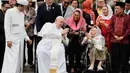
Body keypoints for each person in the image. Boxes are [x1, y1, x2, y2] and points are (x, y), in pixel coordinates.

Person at [1, 0, 32, 73]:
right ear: (20, 5)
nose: (24, 9)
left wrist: (27, 38)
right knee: (11, 61)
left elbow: (22, 29)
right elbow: (7, 27)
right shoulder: (10, 12)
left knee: (19, 60)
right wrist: (8, 40)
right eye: (24, 7)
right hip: (11, 41)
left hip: (20, 40)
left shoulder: (22, 14)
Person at [109, 2, 130, 73]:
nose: (116, 10)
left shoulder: (128, 17)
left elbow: (129, 29)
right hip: (114, 41)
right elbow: (110, 27)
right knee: (115, 59)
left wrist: (123, 37)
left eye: (117, 8)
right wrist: (114, 35)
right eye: (115, 8)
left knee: (124, 58)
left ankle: (125, 71)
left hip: (125, 41)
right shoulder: (113, 17)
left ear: (122, 9)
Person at [65, 8, 86, 73]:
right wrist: (71, 33)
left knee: (78, 53)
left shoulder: (83, 21)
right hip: (70, 41)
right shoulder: (69, 21)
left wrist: (78, 33)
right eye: (74, 15)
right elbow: (66, 30)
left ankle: (77, 66)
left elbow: (84, 31)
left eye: (77, 15)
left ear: (80, 16)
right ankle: (71, 67)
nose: (75, 16)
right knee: (71, 53)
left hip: (79, 41)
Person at [24, 0, 36, 65]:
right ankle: (23, 61)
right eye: (29, 2)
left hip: (30, 31)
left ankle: (30, 61)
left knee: (30, 47)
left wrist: (29, 24)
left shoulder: (33, 10)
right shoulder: (22, 8)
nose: (30, 3)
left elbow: (34, 18)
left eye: (31, 2)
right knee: (22, 47)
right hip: (22, 30)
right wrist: (24, 25)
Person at [0, 1, 10, 72]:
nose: (7, 9)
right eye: (6, 7)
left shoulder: (5, 14)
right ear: (2, 6)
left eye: (8, 8)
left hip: (3, 38)